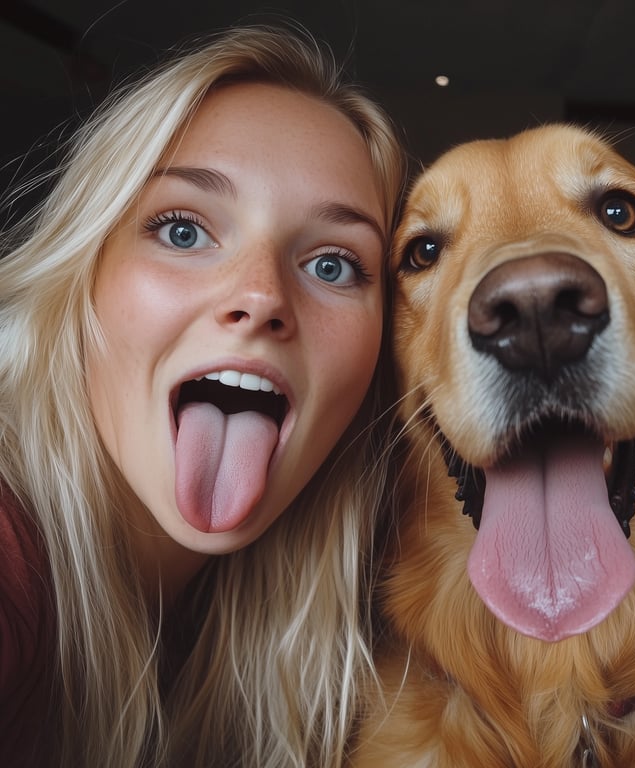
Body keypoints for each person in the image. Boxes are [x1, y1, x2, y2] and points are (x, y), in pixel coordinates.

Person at [0, 24, 405, 767]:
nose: (260, 295)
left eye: (334, 265)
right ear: (83, 269)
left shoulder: (360, 640)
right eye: (183, 230)